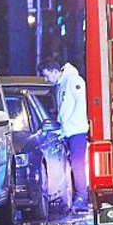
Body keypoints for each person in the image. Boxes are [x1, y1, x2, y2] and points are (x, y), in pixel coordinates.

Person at [40, 60, 89, 212]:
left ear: (54, 71)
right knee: (74, 165)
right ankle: (79, 196)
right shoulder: (62, 84)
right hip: (69, 131)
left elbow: (80, 104)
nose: (47, 80)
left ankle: (82, 197)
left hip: (76, 131)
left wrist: (70, 125)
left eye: (47, 76)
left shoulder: (73, 80)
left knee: (77, 164)